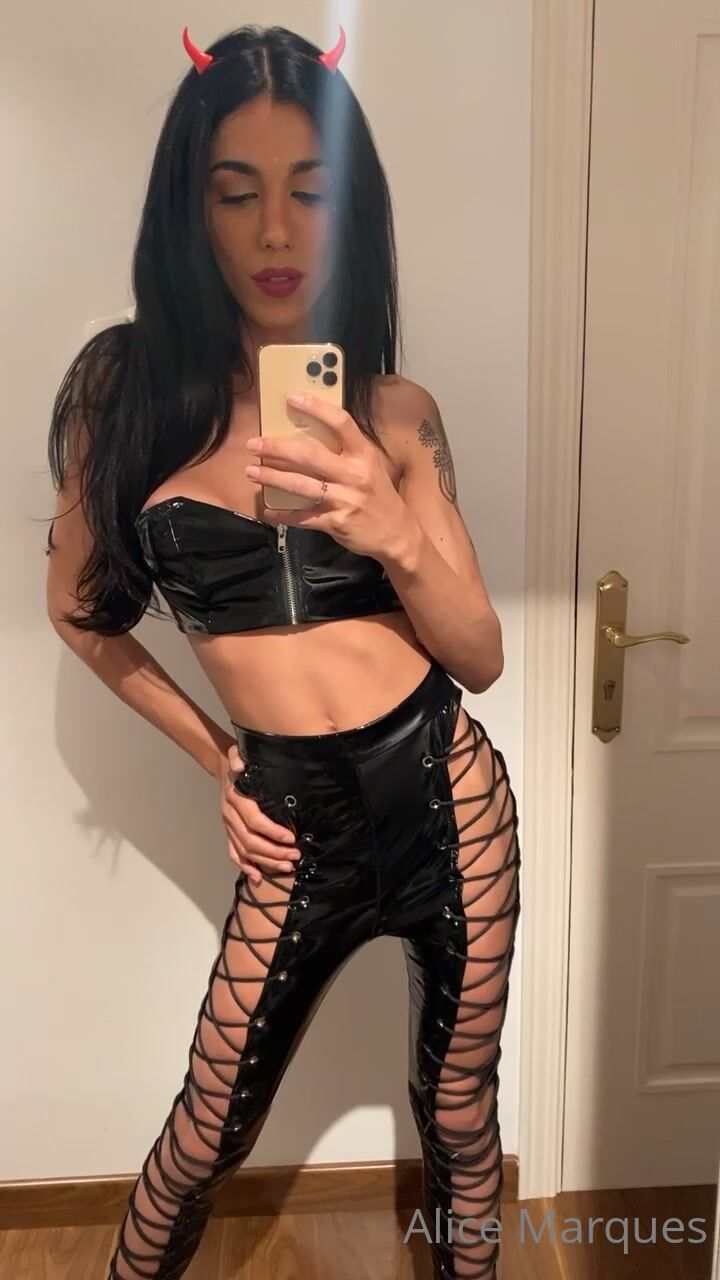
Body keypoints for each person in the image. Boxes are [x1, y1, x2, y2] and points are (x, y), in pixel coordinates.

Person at [45, 22, 521, 1280]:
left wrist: (390, 528)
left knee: (461, 1115)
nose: (273, 230)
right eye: (236, 191)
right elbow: (80, 612)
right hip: (293, 823)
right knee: (207, 1128)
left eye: (309, 191)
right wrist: (221, 758)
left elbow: (479, 655)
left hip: (451, 801)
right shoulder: (122, 395)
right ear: (188, 207)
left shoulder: (395, 412)